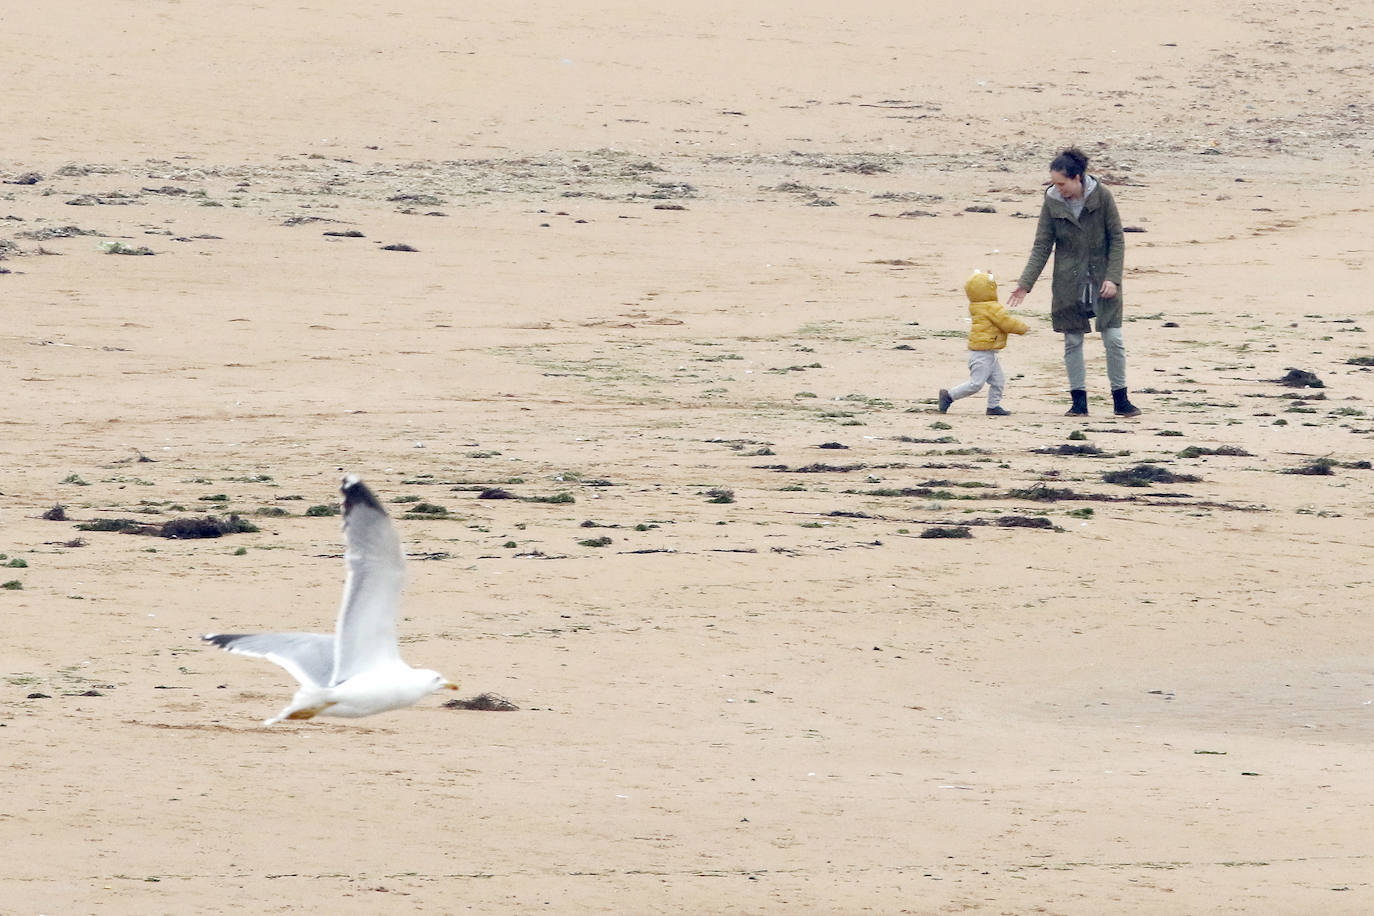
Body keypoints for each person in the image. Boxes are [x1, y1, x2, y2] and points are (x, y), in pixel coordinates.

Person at [1006, 147, 1141, 417]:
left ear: (1077, 177)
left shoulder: (1102, 197)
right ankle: (1079, 403)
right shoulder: (1052, 201)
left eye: (1062, 183)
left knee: (1113, 338)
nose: (1058, 188)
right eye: (1055, 183)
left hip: (1103, 278)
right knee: (1072, 341)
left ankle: (1121, 400)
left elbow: (1117, 239)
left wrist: (1113, 278)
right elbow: (1042, 245)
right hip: (1068, 281)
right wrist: (1025, 283)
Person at [937, 270, 1029, 416]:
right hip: (982, 353)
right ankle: (949, 396)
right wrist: (1022, 328)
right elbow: (1006, 322)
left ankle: (993, 406)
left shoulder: (977, 305)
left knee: (998, 381)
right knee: (976, 384)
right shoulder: (991, 307)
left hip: (989, 351)